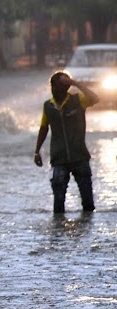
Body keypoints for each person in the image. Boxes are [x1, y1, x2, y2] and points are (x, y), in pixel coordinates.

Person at [33, 72, 100, 214]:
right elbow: (44, 128)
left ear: (66, 87)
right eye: (53, 86)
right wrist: (36, 151)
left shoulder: (78, 100)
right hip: (59, 159)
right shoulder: (48, 106)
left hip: (80, 157)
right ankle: (59, 232)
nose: (55, 89)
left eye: (59, 86)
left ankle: (87, 229)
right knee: (58, 206)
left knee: (88, 205)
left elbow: (95, 98)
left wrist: (75, 83)